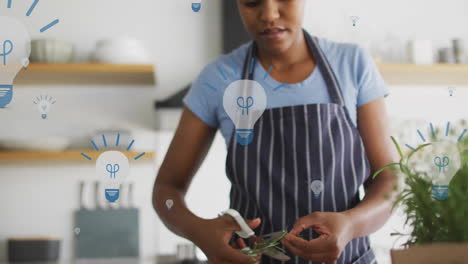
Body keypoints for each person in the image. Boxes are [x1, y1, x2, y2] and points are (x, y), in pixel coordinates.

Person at [152, 0, 397, 263]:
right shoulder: (218, 78)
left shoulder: (352, 64)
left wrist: (351, 224)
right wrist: (198, 231)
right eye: (251, 2)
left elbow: (389, 180)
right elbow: (167, 189)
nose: (269, 14)